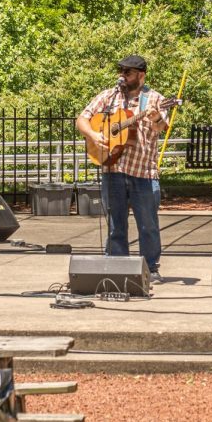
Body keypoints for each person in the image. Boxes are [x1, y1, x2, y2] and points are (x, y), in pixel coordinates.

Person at [76, 55, 169, 284]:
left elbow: (162, 127)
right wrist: (94, 136)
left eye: (128, 72)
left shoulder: (155, 99)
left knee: (147, 223)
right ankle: (117, 264)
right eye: (122, 71)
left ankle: (151, 267)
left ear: (141, 75)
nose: (123, 76)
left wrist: (156, 117)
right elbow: (82, 119)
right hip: (113, 170)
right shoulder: (109, 97)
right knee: (116, 222)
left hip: (143, 173)